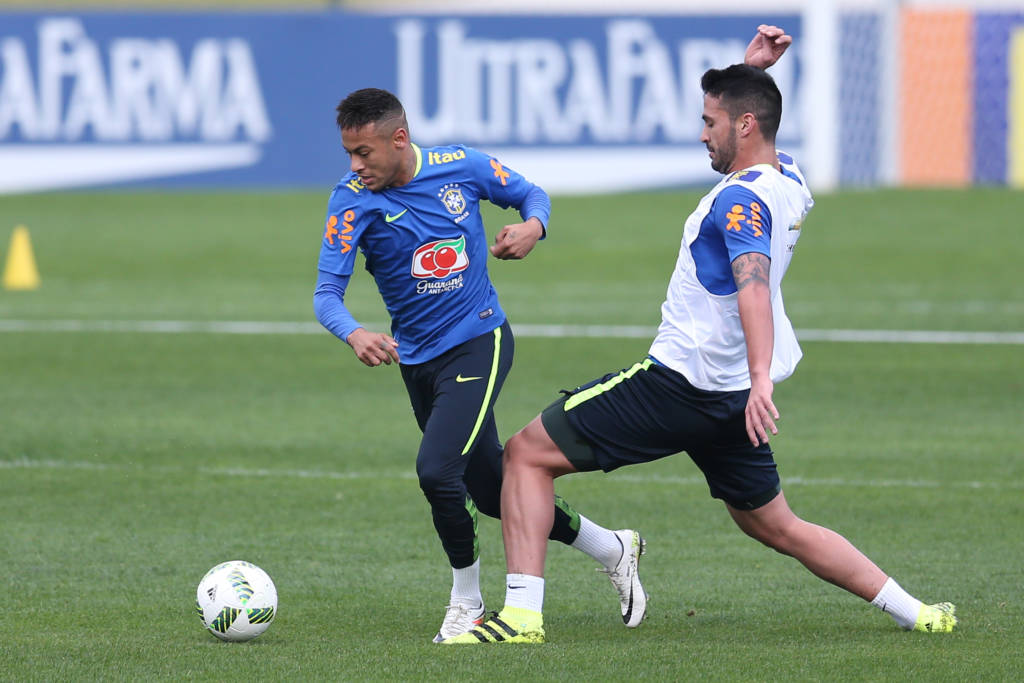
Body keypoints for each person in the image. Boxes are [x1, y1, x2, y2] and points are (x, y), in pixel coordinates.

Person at [444, 25, 957, 644]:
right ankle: (917, 611)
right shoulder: (789, 180)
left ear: (742, 127)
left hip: (683, 384)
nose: (701, 132)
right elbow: (756, 128)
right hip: (732, 400)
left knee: (526, 455)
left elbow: (753, 287)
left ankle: (522, 617)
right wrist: (751, 70)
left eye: (711, 121)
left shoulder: (738, 205)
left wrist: (763, 373)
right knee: (777, 525)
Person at [313, 88, 647, 643]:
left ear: (400, 139)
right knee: (493, 492)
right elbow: (327, 292)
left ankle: (467, 602)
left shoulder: (461, 167)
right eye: (349, 153)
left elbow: (531, 194)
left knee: (435, 471)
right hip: (417, 360)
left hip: (479, 341)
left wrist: (532, 228)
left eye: (364, 152)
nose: (355, 165)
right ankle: (612, 547)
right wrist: (354, 332)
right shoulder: (350, 201)